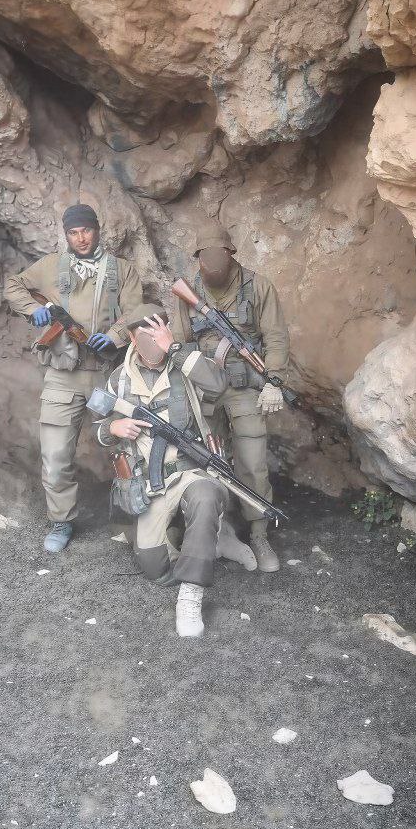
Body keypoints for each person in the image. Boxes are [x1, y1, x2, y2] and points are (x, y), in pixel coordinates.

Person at [4, 203, 143, 553]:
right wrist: (34, 309)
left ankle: (137, 515)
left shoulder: (121, 270)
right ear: (66, 235)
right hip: (62, 375)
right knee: (55, 457)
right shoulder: (52, 265)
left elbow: (134, 312)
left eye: (86, 230)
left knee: (129, 446)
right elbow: (13, 286)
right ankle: (61, 520)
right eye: (74, 232)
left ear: (97, 230)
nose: (81, 238)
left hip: (108, 375)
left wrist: (114, 336)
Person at [95, 304, 237, 638]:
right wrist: (113, 428)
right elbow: (98, 426)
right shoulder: (119, 378)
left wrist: (173, 346)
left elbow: (219, 384)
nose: (149, 342)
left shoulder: (184, 364)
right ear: (132, 338)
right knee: (154, 569)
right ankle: (200, 541)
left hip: (191, 472)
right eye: (142, 335)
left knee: (206, 495)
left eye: (155, 332)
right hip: (149, 482)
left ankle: (191, 594)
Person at [172, 224, 289, 572]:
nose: (211, 264)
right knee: (204, 459)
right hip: (202, 386)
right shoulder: (188, 290)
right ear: (198, 259)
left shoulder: (258, 287)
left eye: (217, 257)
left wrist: (274, 381)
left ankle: (258, 533)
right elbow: (180, 339)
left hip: (244, 386)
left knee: (252, 462)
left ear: (230, 254)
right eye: (204, 259)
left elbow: (276, 337)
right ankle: (213, 531)